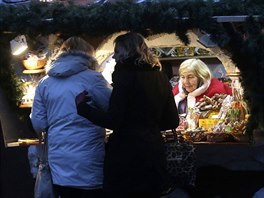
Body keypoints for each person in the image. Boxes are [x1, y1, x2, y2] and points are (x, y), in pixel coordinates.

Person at [75, 32, 179, 198]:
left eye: (116, 52)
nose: (114, 57)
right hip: (153, 152)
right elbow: (172, 120)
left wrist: (82, 108)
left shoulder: (124, 79)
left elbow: (113, 120)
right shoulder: (160, 77)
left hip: (126, 155)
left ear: (126, 52)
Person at [30, 36, 112, 198]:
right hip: (89, 156)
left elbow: (39, 123)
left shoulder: (45, 83)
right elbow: (113, 109)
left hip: (59, 160)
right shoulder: (93, 78)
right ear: (88, 55)